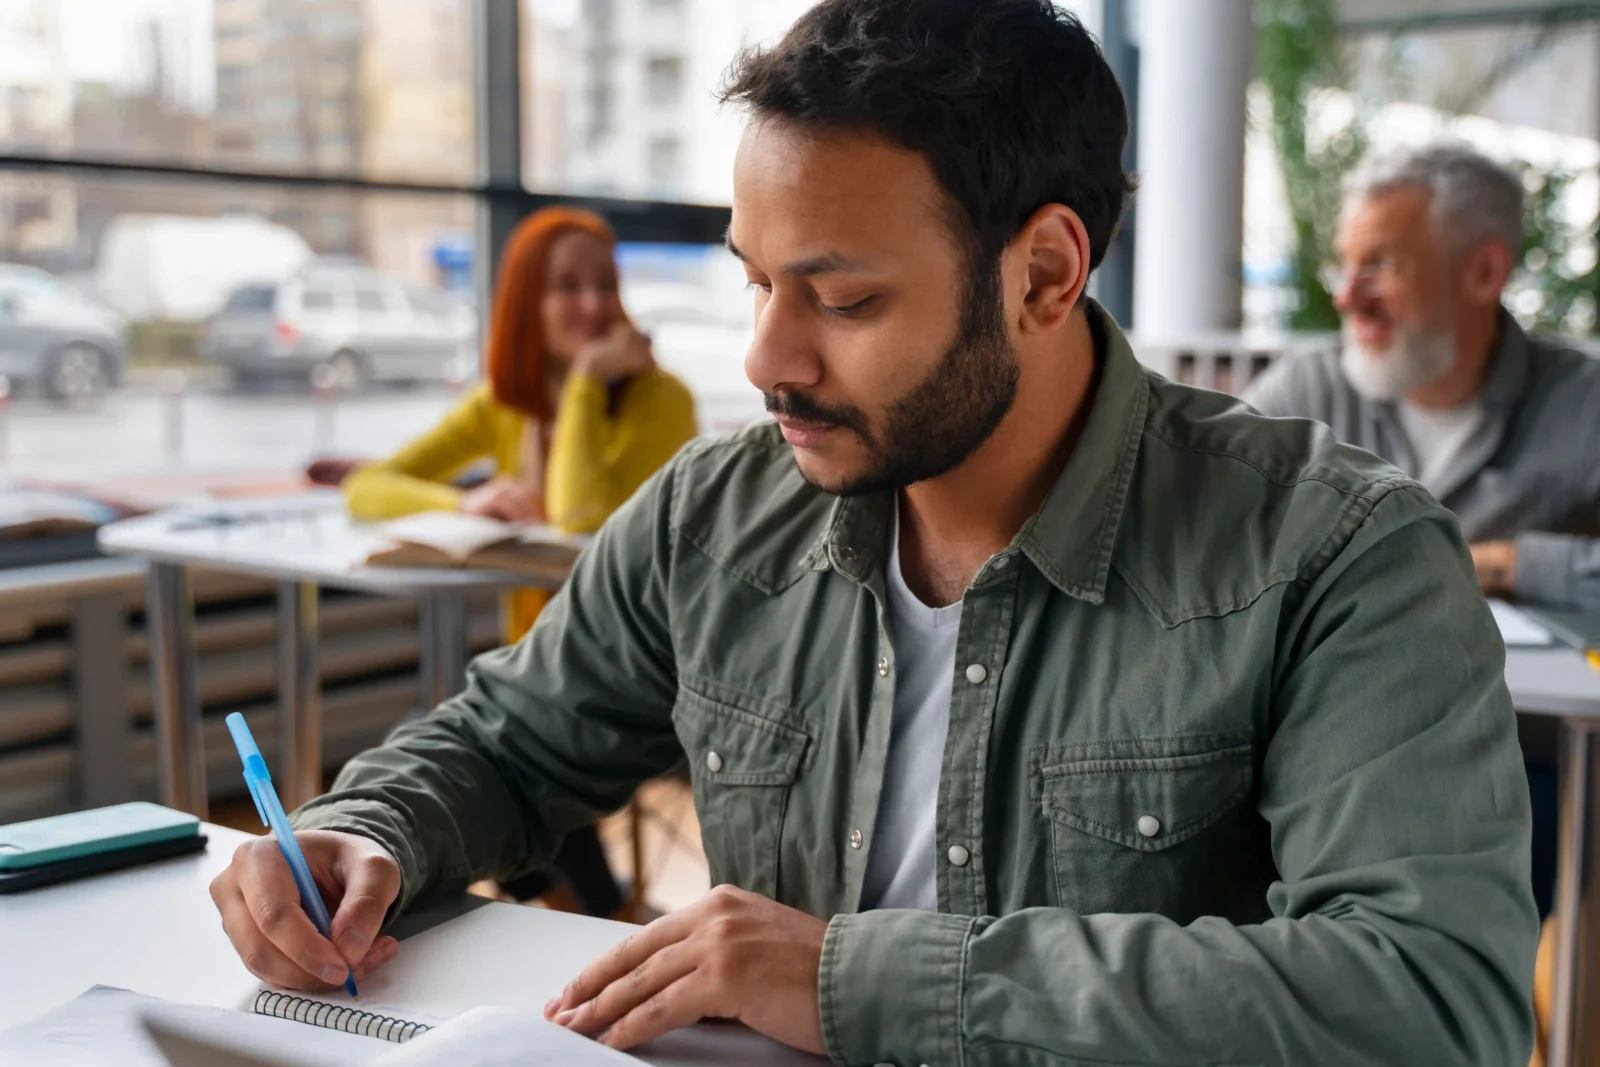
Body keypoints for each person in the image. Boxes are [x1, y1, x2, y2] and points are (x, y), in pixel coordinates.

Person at [210, 3, 1538, 1063]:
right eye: (756, 279)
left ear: (1045, 273)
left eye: (839, 298)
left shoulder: (1339, 551)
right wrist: (371, 828)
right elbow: (510, 743)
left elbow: (1436, 998)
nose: (767, 355)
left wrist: (856, 978)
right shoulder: (712, 512)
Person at [345, 207, 699, 916]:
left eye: (605, 283)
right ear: (525, 301)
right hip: (536, 658)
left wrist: (587, 386)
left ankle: (592, 911)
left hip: (643, 666)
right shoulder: (503, 404)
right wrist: (463, 503)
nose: (594, 304)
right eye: (567, 286)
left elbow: (576, 517)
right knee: (460, 749)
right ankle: (590, 909)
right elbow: (368, 483)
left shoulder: (659, 399)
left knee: (513, 762)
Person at [1243, 143, 1600, 615]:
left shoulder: (1583, 404)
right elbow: (1197, 522)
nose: (1347, 298)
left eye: (1380, 264)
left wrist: (1503, 564)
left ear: (1484, 273)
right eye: (1345, 264)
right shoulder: (1305, 392)